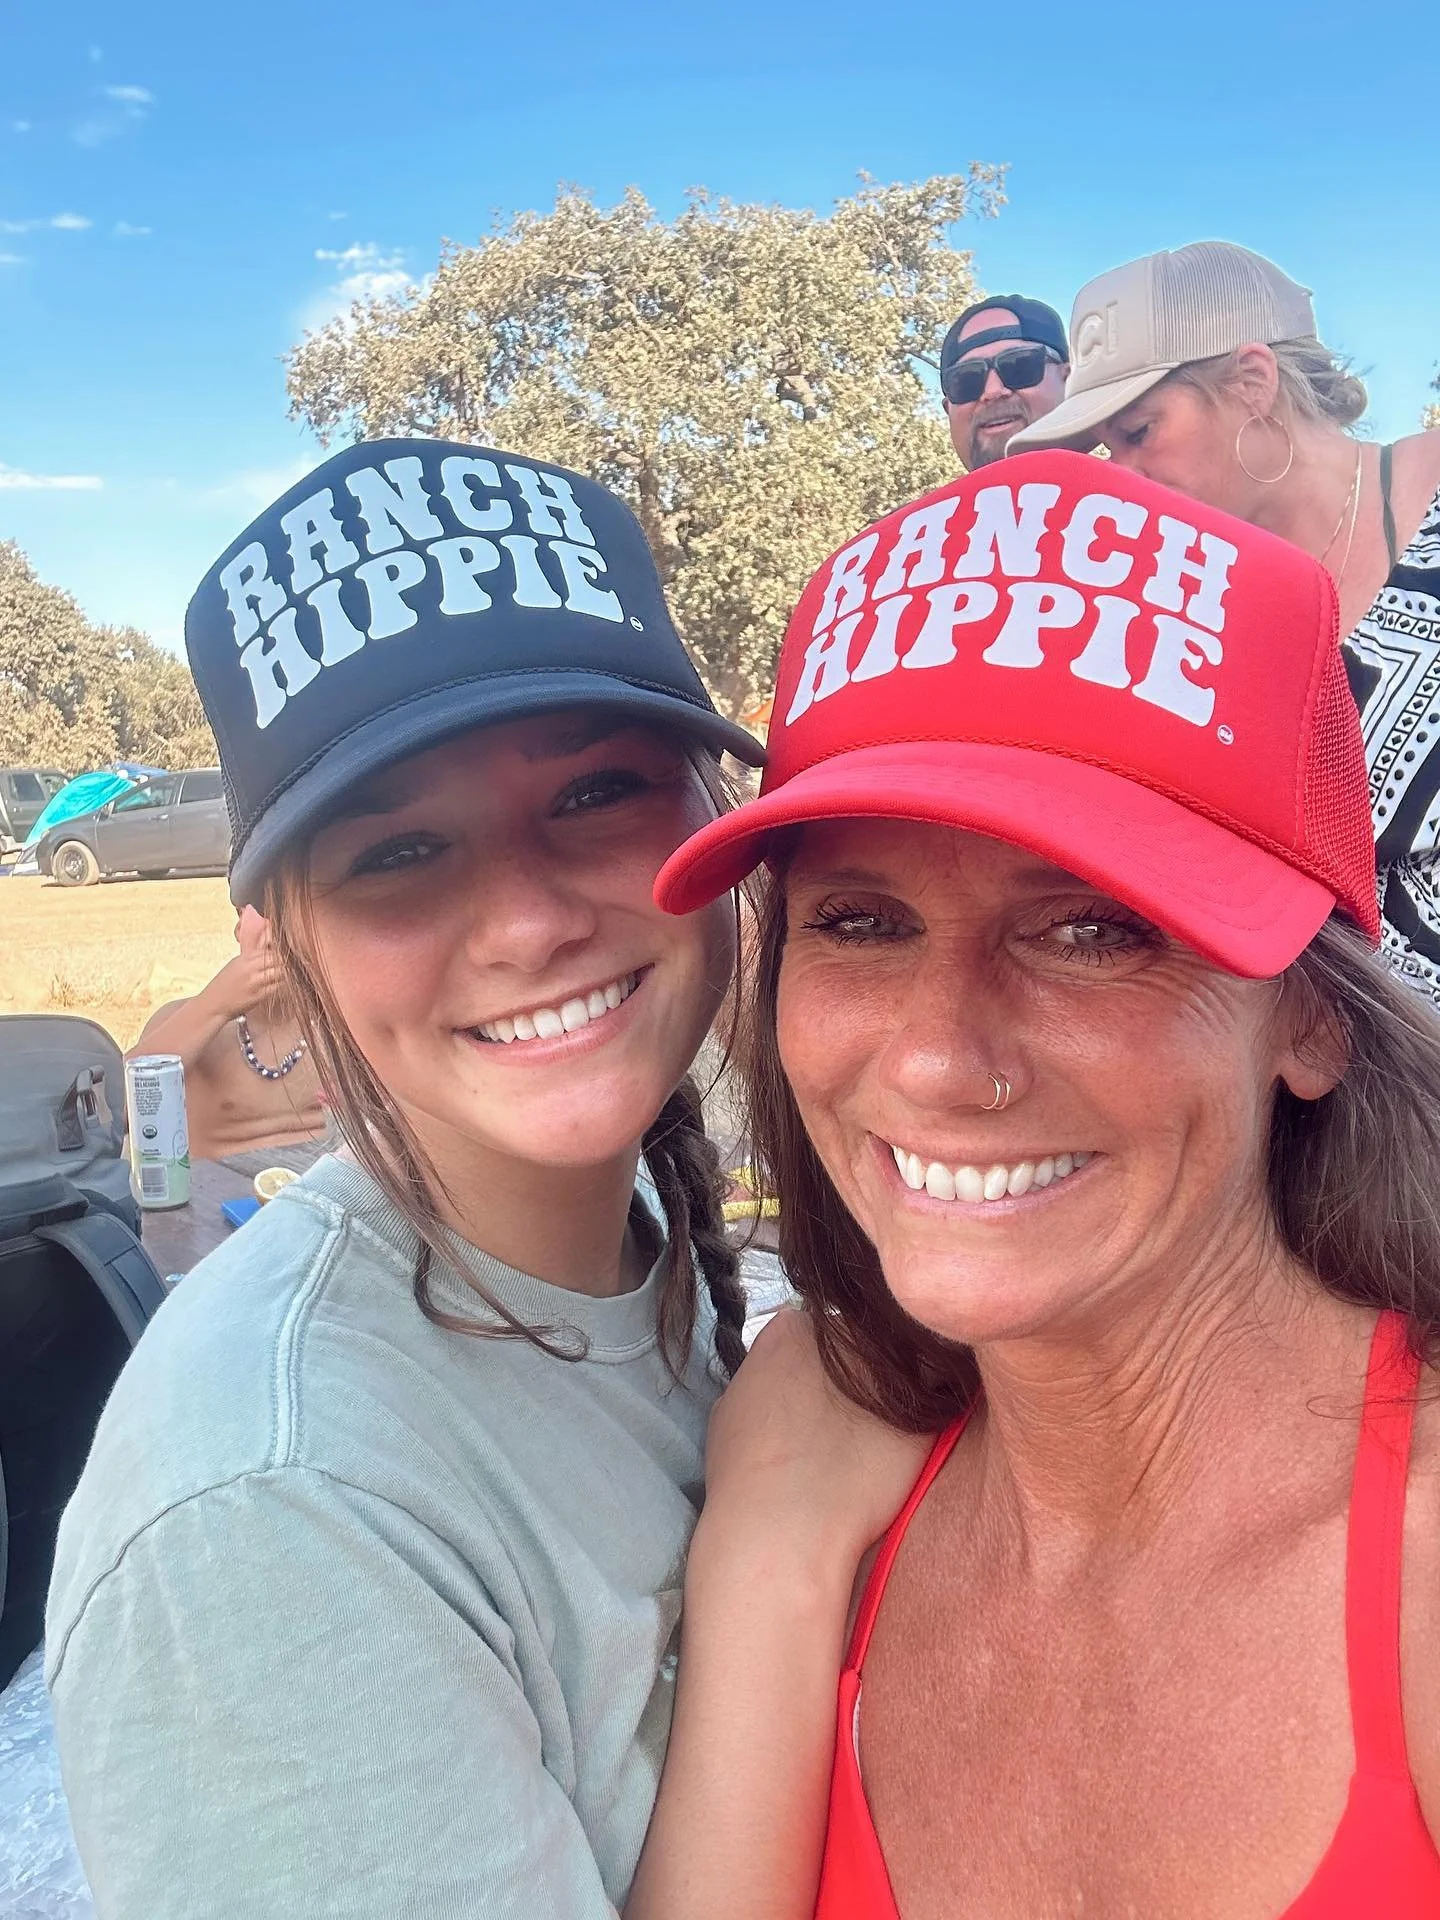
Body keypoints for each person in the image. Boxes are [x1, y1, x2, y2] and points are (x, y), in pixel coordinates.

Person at [652, 452, 1440, 1916]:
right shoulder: (809, 1444)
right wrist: (770, 1556)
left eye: (1092, 930)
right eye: (863, 920)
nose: (944, 1061)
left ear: (1315, 1018)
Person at [43, 436, 801, 1920]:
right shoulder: (270, 1512)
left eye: (592, 794)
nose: (525, 922)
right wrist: (789, 1547)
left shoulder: (630, 1248)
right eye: (396, 848)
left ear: (711, 813)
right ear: (284, 935)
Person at [1009, 239, 1440, 1007]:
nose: (1125, 479)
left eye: (1140, 432)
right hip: (1346, 1090)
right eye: (1109, 451)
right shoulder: (1189, 610)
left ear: (1252, 382)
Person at [128, 902, 326, 1159]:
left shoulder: (343, 1026)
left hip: (325, 1189)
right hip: (214, 1192)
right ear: (239, 925)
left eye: (292, 906)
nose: (278, 929)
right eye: (265, 908)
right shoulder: (186, 1019)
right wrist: (213, 1007)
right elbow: (120, 1113)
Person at [939, 293, 1069, 472]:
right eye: (967, 379)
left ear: (1070, 382)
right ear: (948, 410)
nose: (992, 391)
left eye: (1019, 366)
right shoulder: (933, 502)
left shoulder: (1119, 496)